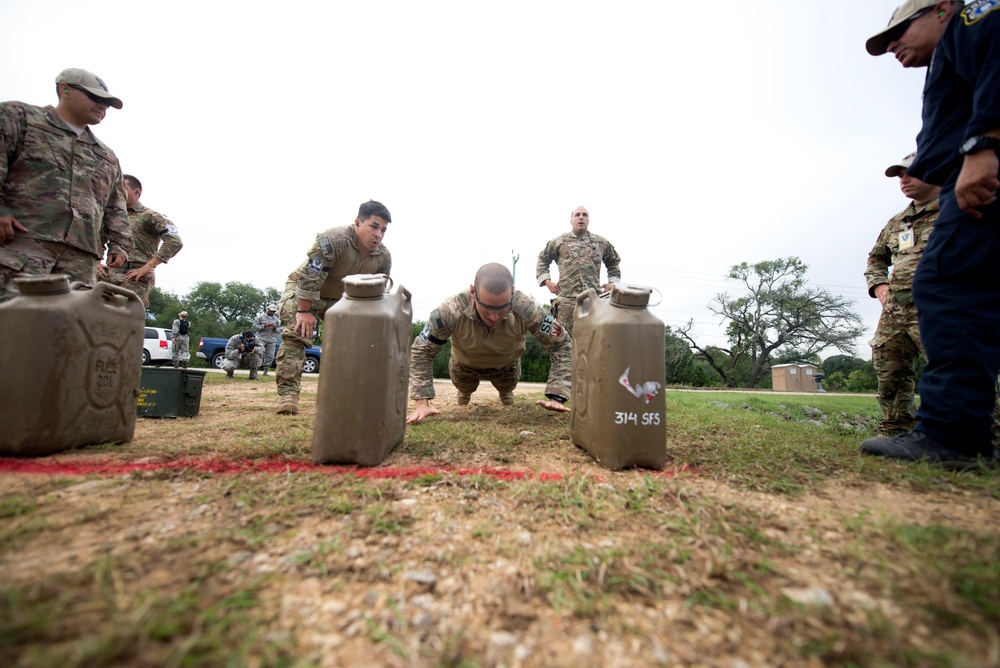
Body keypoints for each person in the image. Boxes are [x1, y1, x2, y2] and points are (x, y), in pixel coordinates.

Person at [863, 0, 999, 468]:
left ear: (942, 8)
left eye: (900, 31)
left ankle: (953, 434)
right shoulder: (950, 53)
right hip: (974, 177)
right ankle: (951, 429)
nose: (893, 46)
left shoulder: (972, 20)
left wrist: (983, 146)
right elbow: (875, 256)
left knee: (948, 287)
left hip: (981, 178)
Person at [0, 68, 132, 302]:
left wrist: (120, 245)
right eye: (95, 98)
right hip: (22, 247)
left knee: (65, 332)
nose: (103, 106)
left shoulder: (106, 155)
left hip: (79, 260)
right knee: (10, 323)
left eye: (107, 103)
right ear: (65, 89)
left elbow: (116, 206)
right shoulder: (19, 118)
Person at [407, 262, 571, 424]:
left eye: (501, 308)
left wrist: (557, 395)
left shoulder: (527, 309)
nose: (493, 317)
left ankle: (505, 392)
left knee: (507, 390)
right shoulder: (450, 310)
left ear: (512, 293)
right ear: (473, 292)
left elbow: (561, 345)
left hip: (507, 368)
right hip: (464, 367)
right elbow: (422, 350)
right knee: (464, 390)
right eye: (486, 308)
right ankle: (464, 392)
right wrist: (422, 402)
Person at [274, 200, 392, 415]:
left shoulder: (383, 257)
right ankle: (288, 396)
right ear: (358, 223)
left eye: (383, 230)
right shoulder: (333, 240)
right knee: (296, 335)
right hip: (304, 292)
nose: (379, 234)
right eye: (374, 226)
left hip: (341, 301)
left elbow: (377, 294)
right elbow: (310, 277)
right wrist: (304, 311)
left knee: (351, 346)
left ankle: (344, 395)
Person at [864, 152, 940, 436]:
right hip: (896, 311)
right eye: (899, 176)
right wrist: (879, 285)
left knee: (955, 369)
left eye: (910, 172)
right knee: (890, 371)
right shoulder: (898, 222)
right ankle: (896, 431)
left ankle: (980, 435)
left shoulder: (957, 209)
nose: (904, 180)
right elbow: (876, 258)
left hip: (940, 308)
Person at [535, 206, 622, 337]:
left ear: (588, 220)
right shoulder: (559, 242)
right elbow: (543, 259)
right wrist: (547, 282)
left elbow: (613, 262)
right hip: (567, 303)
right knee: (563, 342)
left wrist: (612, 283)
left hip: (593, 302)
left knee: (594, 342)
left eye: (584, 215)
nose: (581, 217)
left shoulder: (600, 243)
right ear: (571, 221)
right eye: (577, 215)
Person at [100, 174, 183, 306]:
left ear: (136, 192)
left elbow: (174, 242)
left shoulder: (151, 216)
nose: (117, 193)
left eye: (122, 188)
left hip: (135, 276)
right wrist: (96, 261)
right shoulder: (112, 217)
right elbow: (98, 239)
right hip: (111, 274)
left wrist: (148, 266)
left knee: (127, 319)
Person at [252, 303, 280, 376]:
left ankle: (265, 371)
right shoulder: (260, 317)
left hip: (272, 340)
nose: (272, 312)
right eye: (271, 311)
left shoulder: (276, 320)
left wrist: (275, 327)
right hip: (261, 339)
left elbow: (279, 330)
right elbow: (255, 327)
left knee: (270, 356)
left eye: (274, 311)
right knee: (259, 354)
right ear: (267, 309)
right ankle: (256, 371)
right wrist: (264, 326)